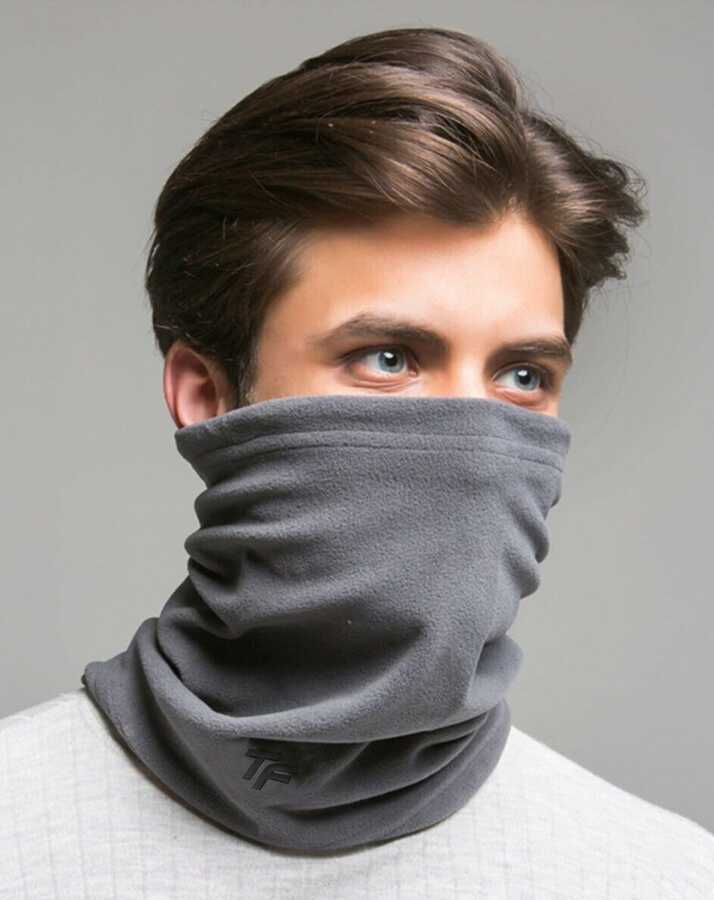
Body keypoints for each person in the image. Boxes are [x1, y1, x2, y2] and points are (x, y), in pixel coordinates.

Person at [2, 25, 712, 900]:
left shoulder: (664, 876)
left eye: (522, 375)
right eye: (388, 358)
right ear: (208, 395)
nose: (474, 440)